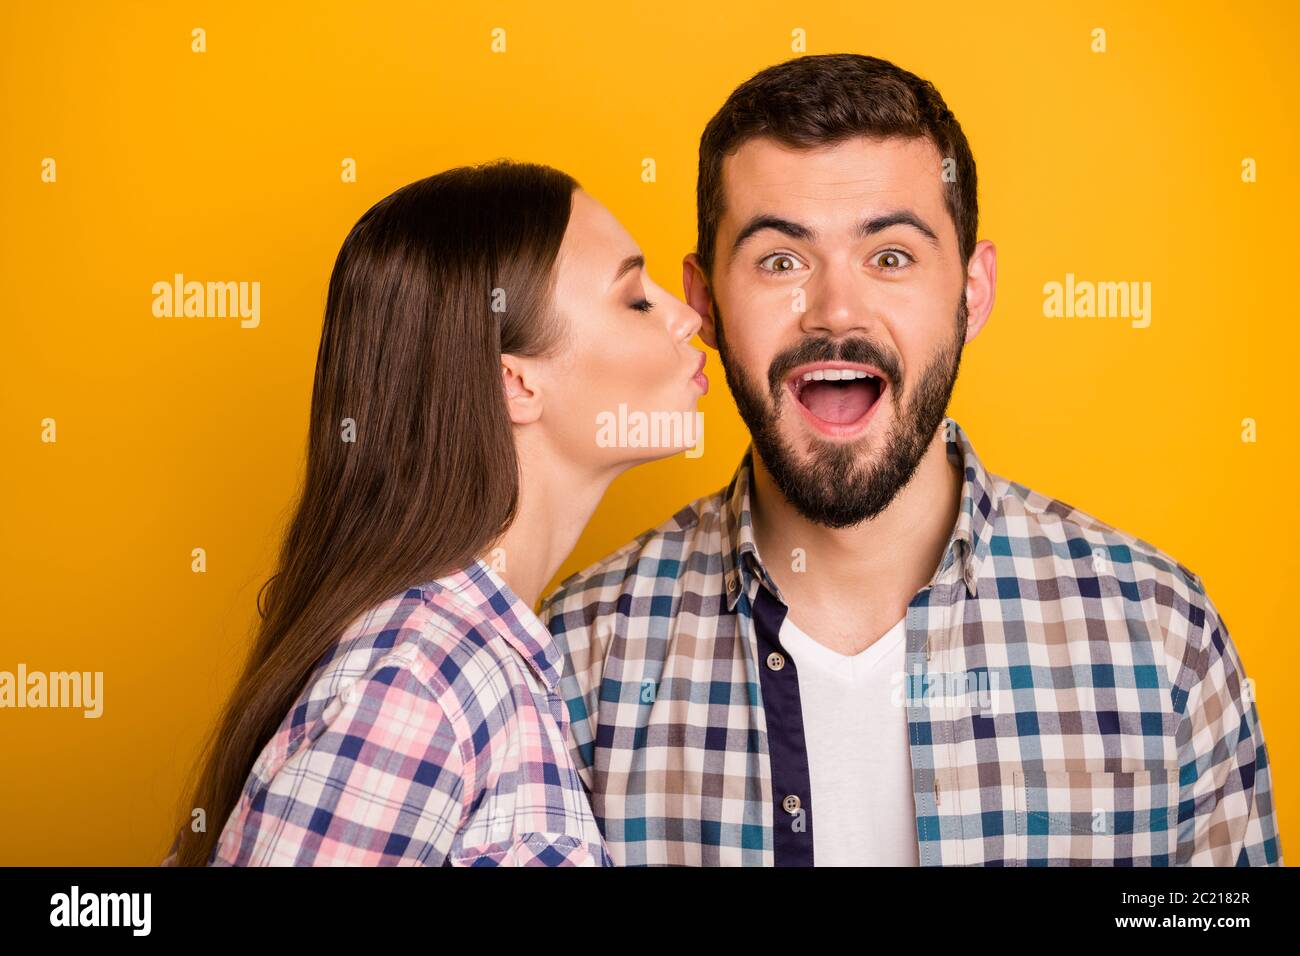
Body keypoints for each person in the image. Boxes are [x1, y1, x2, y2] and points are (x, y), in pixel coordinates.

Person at [541, 54, 1283, 866]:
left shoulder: (1162, 638)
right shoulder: (577, 661)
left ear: (972, 292)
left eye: (890, 256)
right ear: (706, 301)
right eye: (780, 261)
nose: (836, 311)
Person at [168, 161, 707, 866]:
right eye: (635, 299)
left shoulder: (482, 660)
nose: (688, 315)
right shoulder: (426, 679)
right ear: (516, 381)